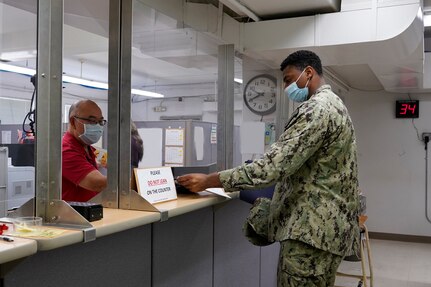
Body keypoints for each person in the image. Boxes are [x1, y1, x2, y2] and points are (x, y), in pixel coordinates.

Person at [177, 50, 360, 286]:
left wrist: (208, 180)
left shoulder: (317, 109)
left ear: (309, 72)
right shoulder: (336, 106)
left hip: (310, 234)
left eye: (288, 78)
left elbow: (272, 168)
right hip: (328, 232)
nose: (286, 87)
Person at [62, 99, 107, 202]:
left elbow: (109, 161)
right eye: (92, 121)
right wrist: (130, 180)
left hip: (90, 211)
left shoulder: (88, 148)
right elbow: (97, 183)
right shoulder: (66, 150)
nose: (97, 126)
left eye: (100, 121)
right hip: (73, 216)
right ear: (73, 122)